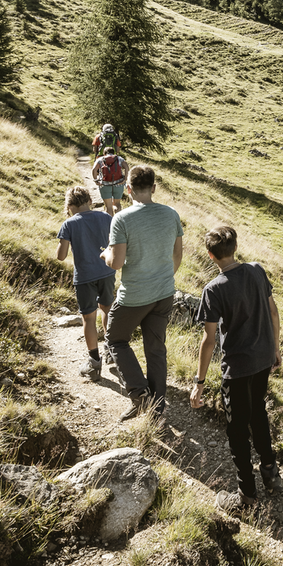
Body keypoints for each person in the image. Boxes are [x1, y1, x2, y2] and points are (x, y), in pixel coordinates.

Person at [189, 225, 283, 509]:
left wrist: (199, 381)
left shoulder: (214, 289)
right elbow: (273, 310)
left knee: (237, 430)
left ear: (210, 255)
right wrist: (276, 349)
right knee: (259, 415)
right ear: (235, 247)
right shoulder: (256, 270)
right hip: (263, 359)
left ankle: (246, 496)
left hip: (238, 368)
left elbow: (209, 340)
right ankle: (271, 473)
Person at [103, 164, 183, 421]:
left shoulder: (122, 219)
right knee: (156, 348)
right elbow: (177, 254)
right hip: (164, 292)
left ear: (128, 189)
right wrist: (163, 278)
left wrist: (105, 254)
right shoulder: (171, 214)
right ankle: (157, 407)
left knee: (116, 339)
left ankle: (139, 395)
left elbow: (116, 263)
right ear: (153, 188)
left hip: (135, 295)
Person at [56, 186, 115, 378]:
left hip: (84, 277)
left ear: (70, 205)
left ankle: (94, 363)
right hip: (106, 271)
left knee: (88, 318)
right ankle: (111, 351)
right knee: (107, 309)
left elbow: (61, 256)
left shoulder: (69, 224)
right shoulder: (106, 217)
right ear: (89, 200)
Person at [91, 143, 129, 217]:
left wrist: (96, 180)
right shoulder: (119, 158)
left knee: (108, 207)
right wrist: (125, 179)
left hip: (105, 185)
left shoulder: (100, 159)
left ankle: (110, 224)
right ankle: (118, 223)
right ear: (113, 152)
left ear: (104, 153)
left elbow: (94, 169)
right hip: (119, 184)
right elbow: (126, 167)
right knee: (117, 204)